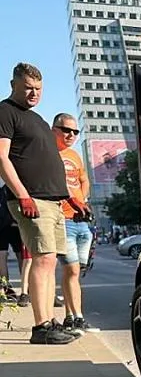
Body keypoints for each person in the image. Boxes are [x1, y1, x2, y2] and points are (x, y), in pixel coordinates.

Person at [0, 63, 75, 344]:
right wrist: (22, 194)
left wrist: (69, 198)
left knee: (49, 261)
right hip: (32, 200)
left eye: (38, 89)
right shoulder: (6, 112)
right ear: (14, 85)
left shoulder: (37, 119)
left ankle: (49, 321)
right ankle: (41, 327)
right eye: (28, 88)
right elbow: (2, 158)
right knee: (41, 261)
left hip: (52, 202)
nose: (33, 93)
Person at [53, 112, 95, 334]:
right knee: (71, 270)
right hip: (63, 219)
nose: (70, 135)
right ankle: (76, 317)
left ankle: (72, 316)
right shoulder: (49, 153)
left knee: (76, 271)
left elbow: (84, 179)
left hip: (81, 221)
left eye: (75, 132)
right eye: (65, 130)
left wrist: (83, 201)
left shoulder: (75, 155)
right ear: (54, 130)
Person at [0, 183, 28, 303]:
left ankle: (4, 288)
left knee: (2, 257)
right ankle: (25, 288)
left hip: (1, 226)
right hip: (17, 225)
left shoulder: (3, 190)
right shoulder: (19, 187)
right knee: (22, 257)